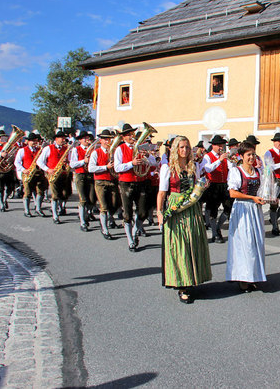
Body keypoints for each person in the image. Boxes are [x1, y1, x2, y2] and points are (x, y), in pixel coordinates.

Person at [157, 136, 212, 304]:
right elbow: (162, 192)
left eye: (187, 147)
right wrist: (159, 213)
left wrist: (203, 186)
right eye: (181, 147)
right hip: (176, 206)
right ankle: (182, 285)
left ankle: (193, 277)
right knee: (179, 244)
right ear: (175, 149)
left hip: (192, 208)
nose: (185, 150)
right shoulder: (167, 168)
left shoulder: (193, 166)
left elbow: (197, 186)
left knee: (192, 242)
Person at [226, 141, 266, 292]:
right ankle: (243, 278)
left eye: (253, 154)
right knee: (245, 244)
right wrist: (252, 198)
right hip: (242, 210)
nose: (251, 157)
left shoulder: (258, 171)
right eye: (249, 154)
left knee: (256, 243)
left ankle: (252, 276)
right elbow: (232, 193)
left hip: (255, 210)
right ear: (241, 156)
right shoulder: (236, 171)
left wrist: (267, 197)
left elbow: (262, 189)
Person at [114, 123, 157, 251]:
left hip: (141, 182)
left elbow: (154, 164)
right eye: (128, 135)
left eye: (132, 134)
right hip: (126, 183)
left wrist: (148, 156)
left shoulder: (141, 148)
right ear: (123, 138)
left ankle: (134, 230)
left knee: (143, 212)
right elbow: (117, 167)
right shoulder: (119, 149)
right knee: (127, 214)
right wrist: (131, 163)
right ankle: (130, 240)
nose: (131, 137)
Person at [88, 129, 119, 240]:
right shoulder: (95, 152)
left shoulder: (114, 152)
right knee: (104, 206)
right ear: (100, 140)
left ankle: (110, 220)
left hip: (112, 180)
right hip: (100, 182)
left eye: (109, 139)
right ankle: (105, 229)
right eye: (105, 139)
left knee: (115, 203)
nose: (108, 141)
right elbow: (91, 168)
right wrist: (105, 167)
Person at [201, 135, 231, 243]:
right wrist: (219, 160)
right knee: (213, 210)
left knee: (228, 208)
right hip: (213, 185)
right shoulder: (207, 157)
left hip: (224, 185)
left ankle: (218, 227)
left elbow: (230, 168)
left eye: (221, 145)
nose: (221, 147)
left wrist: (232, 162)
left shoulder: (223, 156)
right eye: (218, 145)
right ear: (213, 145)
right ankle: (215, 233)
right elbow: (208, 169)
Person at [37, 130, 71, 224]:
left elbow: (70, 162)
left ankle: (60, 209)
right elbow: (39, 161)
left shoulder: (66, 149)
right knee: (55, 195)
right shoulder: (48, 148)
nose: (63, 139)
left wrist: (67, 163)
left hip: (63, 175)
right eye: (62, 138)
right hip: (53, 175)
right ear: (56, 139)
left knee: (64, 194)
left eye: (64, 138)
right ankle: (55, 216)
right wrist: (47, 169)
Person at [14, 133, 48, 217]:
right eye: (32, 141)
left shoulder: (39, 150)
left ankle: (38, 209)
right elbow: (17, 162)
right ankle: (27, 210)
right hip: (27, 173)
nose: (34, 142)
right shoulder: (22, 150)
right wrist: (23, 170)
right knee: (28, 192)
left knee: (40, 191)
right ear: (28, 141)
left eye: (35, 141)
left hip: (38, 174)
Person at [70, 131, 97, 231]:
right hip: (80, 175)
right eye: (84, 138)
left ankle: (86, 214)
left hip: (90, 175)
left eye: (88, 138)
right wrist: (83, 161)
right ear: (80, 140)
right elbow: (72, 164)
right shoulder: (75, 150)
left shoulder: (93, 150)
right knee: (83, 199)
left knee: (92, 199)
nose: (87, 140)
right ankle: (83, 223)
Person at [264, 132, 280, 236]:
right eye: (278, 141)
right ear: (274, 142)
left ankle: (273, 219)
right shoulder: (269, 153)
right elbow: (268, 167)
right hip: (274, 180)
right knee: (274, 205)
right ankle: (275, 227)